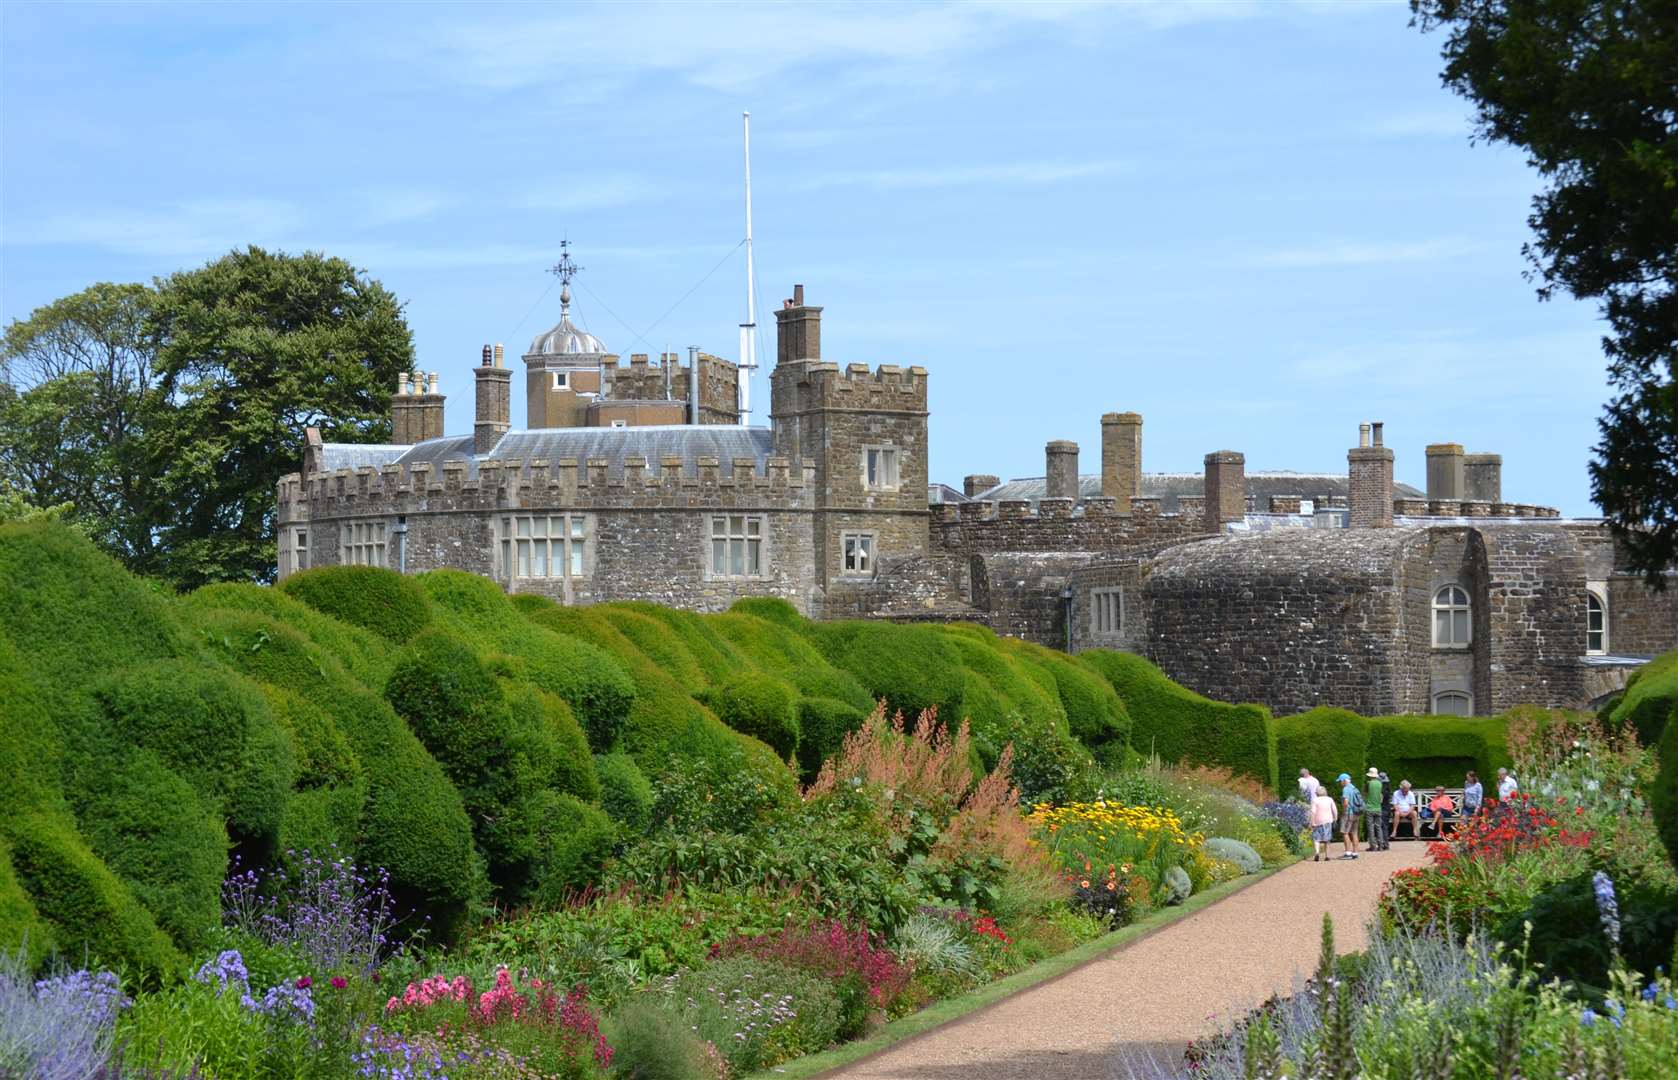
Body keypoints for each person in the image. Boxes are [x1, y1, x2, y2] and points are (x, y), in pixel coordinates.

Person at [1308, 784, 1338, 862]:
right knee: (1327, 839)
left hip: (1317, 821)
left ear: (1317, 793)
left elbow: (1313, 812)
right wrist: (1335, 818)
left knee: (1316, 838)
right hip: (1328, 821)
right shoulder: (1329, 799)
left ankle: (1317, 852)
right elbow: (1334, 810)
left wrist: (1311, 821)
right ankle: (1327, 856)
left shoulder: (1315, 800)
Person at [1337, 772, 1362, 858]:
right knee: (1354, 833)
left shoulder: (1346, 789)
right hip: (1356, 813)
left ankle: (1348, 853)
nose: (1340, 783)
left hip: (1348, 813)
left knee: (1345, 832)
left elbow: (1346, 802)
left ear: (1344, 780)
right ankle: (1355, 853)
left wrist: (1343, 812)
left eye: (1340, 781)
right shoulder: (1355, 788)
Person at [1364, 766, 1387, 851]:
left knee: (1370, 828)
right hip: (1378, 808)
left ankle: (1373, 846)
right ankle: (1381, 845)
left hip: (1370, 808)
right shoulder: (1380, 783)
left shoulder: (1368, 783)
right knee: (1379, 827)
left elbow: (1365, 794)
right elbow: (1381, 797)